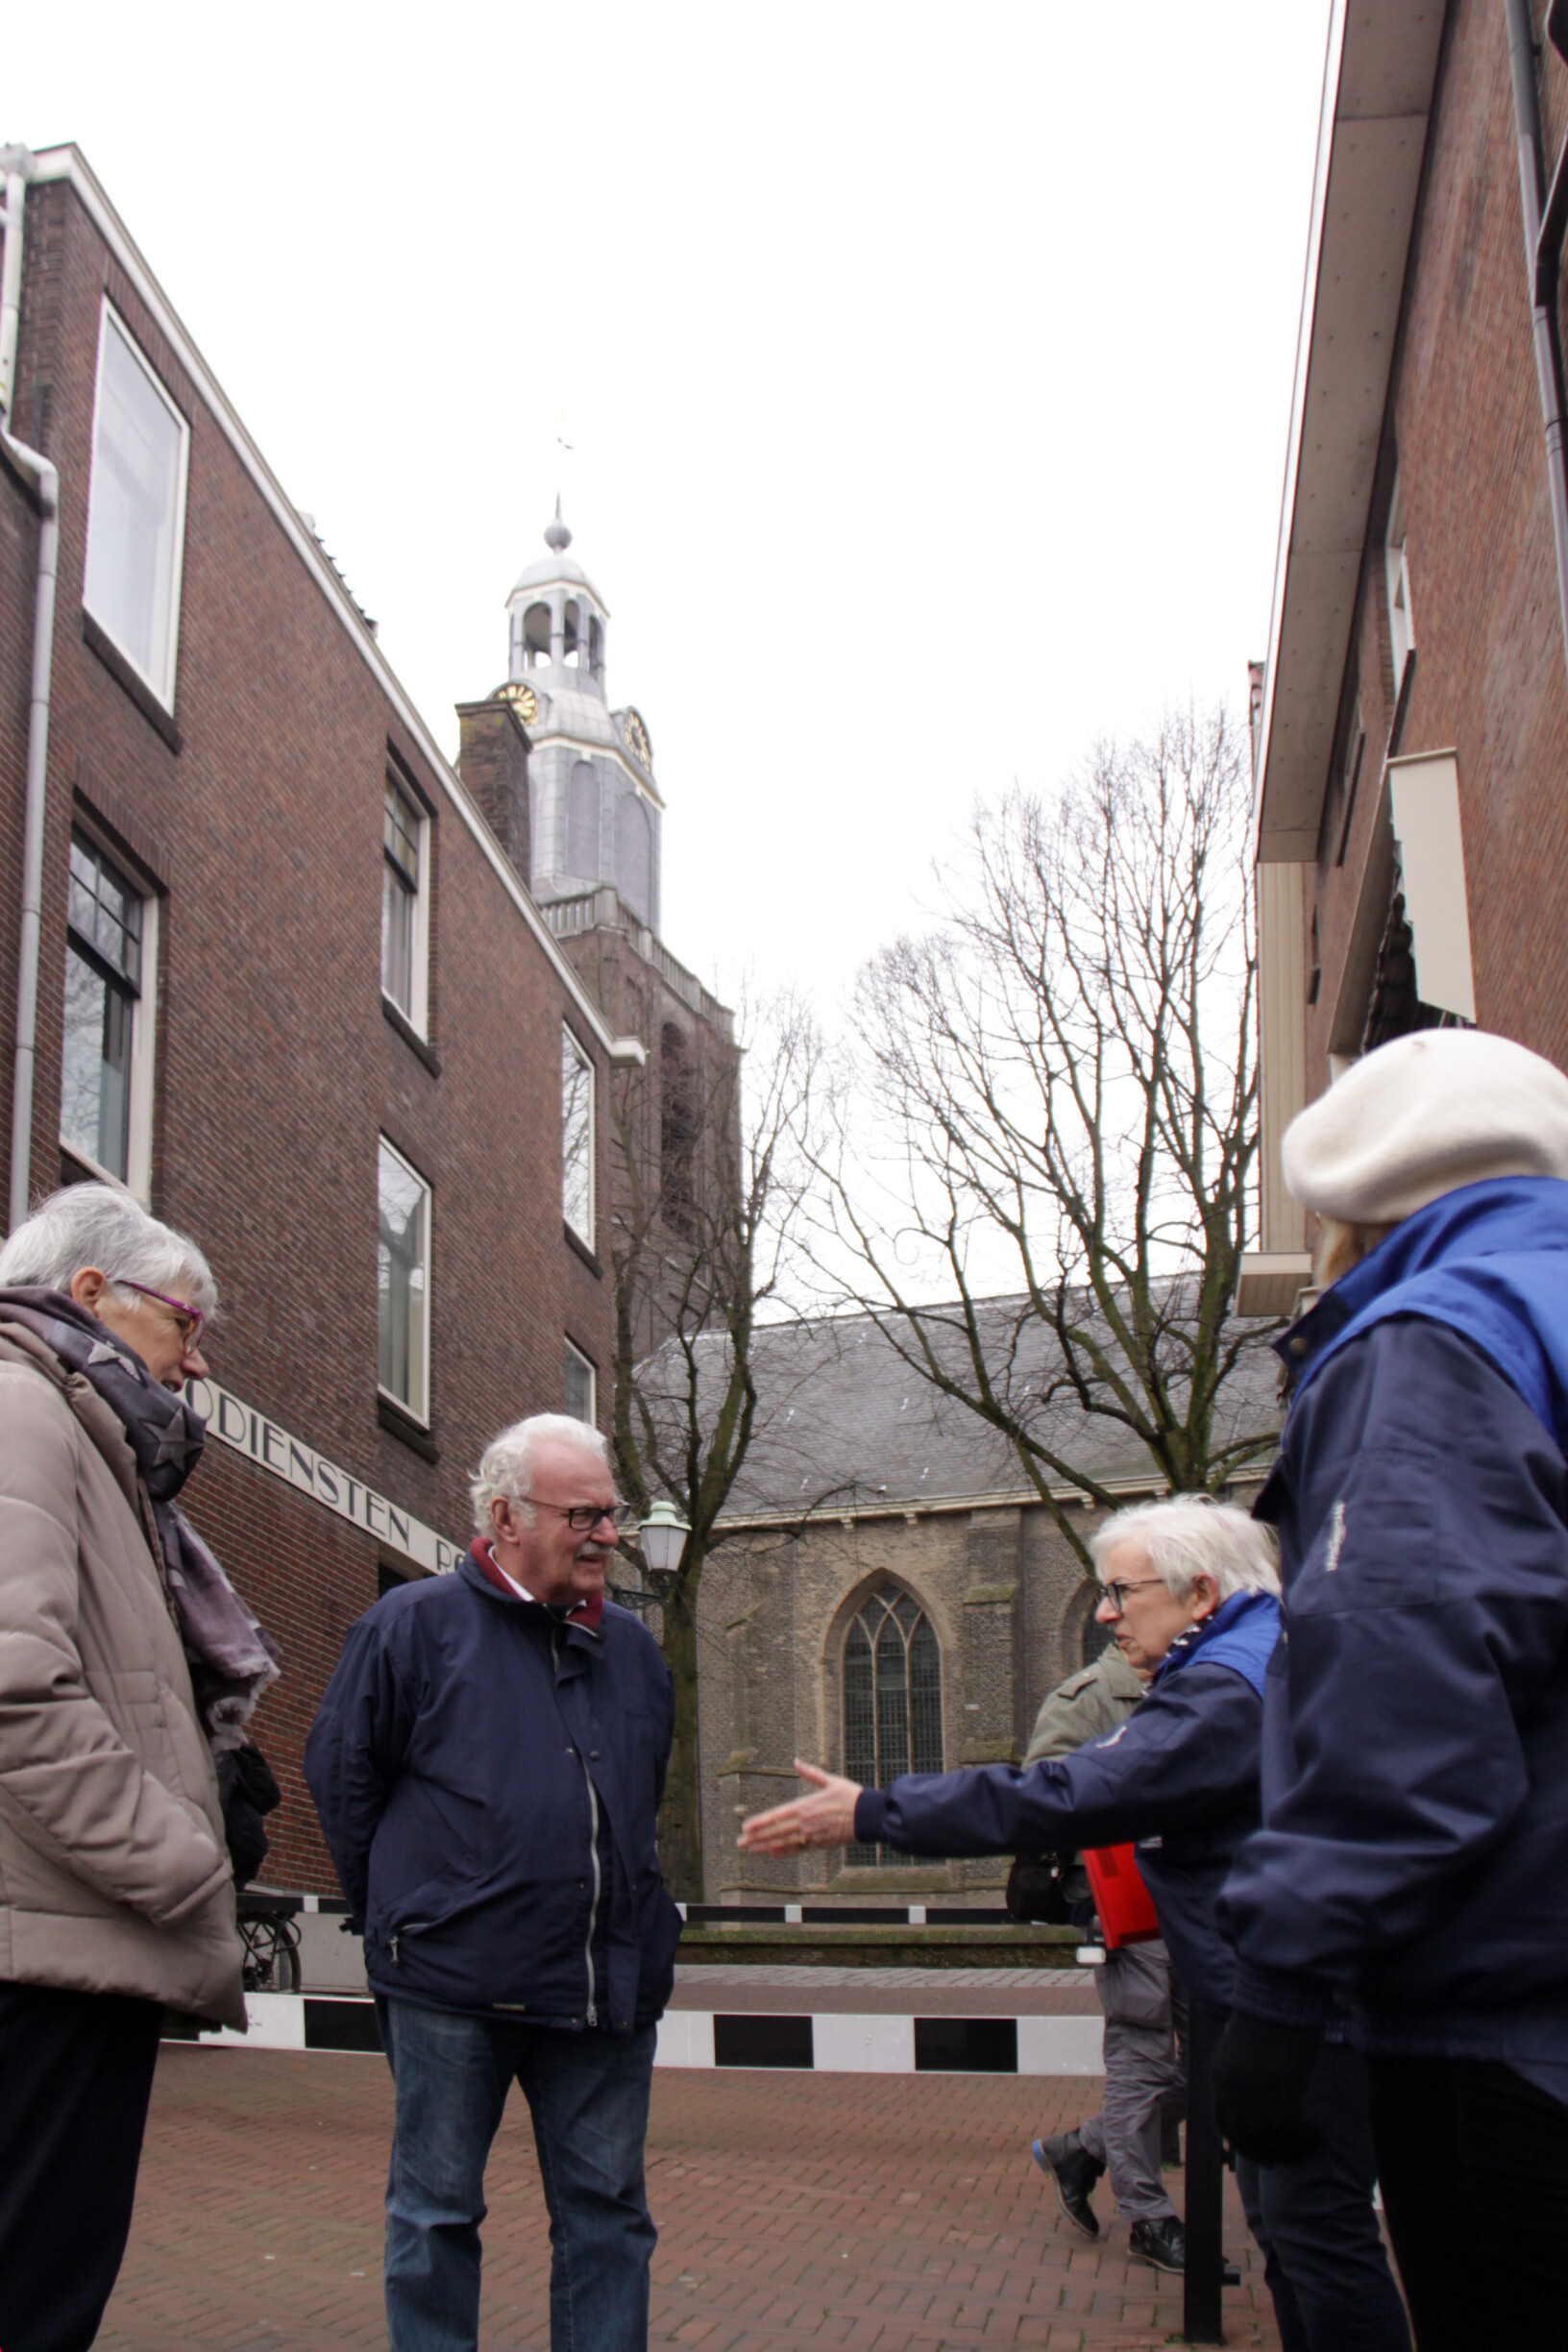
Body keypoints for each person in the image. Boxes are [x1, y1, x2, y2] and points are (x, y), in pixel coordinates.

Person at [739, 1497, 1409, 2352]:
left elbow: (1072, 1790)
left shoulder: (1224, 1694)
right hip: (1285, 1995)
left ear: (1200, 1591)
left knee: (1317, 2240)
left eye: (1121, 1593)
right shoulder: (1261, 1654)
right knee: (1297, 2236)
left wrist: (878, 1810)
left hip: (1293, 2006)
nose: (1103, 1613)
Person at [1212, 1028, 1568, 2352]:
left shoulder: (1435, 1339)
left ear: (1355, 1214)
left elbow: (1405, 1672)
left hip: (1505, 2021)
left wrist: (1288, 1987)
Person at [306, 1413, 682, 2352]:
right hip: (449, 1989)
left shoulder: (635, 1650)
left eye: (613, 1513)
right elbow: (344, 1778)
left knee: (609, 2220)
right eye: (584, 1514)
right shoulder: (410, 1627)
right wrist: (401, 1911)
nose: (608, 1534)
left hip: (601, 1992)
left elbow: (639, 1796)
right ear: (507, 1517)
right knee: (434, 2215)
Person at [0, 1185, 272, 2352]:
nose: (198, 1367)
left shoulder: (85, 1433)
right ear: (92, 1295)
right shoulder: (23, 1409)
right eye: (186, 1326)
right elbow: (14, 1691)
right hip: (45, 1953)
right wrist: (181, 1863)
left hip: (66, 1933)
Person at [1020, 1642, 1189, 2271]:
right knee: (1142, 2053)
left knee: (1211, 2068)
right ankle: (1147, 2216)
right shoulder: (1087, 1699)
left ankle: (1083, 2149)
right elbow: (1041, 1803)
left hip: (1198, 1905)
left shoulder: (1201, 1681)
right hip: (1126, 1903)